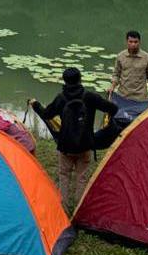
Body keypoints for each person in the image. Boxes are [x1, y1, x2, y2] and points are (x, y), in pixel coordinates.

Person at [28, 68, 118, 210]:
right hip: (85, 144)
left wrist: (35, 104)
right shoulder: (90, 97)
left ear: (64, 80)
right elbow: (113, 108)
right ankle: (79, 208)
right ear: (80, 79)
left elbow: (46, 114)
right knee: (81, 177)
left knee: (64, 175)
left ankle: (63, 206)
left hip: (65, 146)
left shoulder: (61, 98)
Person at [108, 30, 148, 102]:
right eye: (131, 42)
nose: (133, 44)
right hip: (123, 96)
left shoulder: (147, 58)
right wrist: (112, 87)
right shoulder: (120, 56)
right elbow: (116, 74)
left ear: (139, 42)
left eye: (135, 42)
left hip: (141, 98)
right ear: (127, 42)